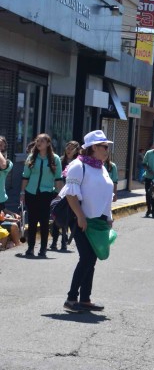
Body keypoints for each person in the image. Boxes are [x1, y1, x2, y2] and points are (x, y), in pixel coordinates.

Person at [62, 130, 115, 312]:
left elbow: (106, 195)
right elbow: (70, 194)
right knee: (87, 258)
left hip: (99, 220)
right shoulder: (78, 166)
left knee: (91, 260)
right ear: (94, 147)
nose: (107, 150)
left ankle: (85, 299)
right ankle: (71, 299)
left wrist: (108, 216)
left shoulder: (101, 167)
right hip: (82, 219)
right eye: (104, 146)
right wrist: (80, 216)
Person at [19, 134, 63, 257]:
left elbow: (58, 178)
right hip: (31, 193)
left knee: (44, 222)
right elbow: (25, 176)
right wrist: (22, 193)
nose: (38, 143)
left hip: (47, 194)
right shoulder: (32, 157)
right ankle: (30, 248)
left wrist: (59, 195)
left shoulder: (55, 159)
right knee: (32, 221)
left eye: (42, 141)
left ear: (48, 143)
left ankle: (43, 249)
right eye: (37, 141)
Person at [50, 141, 81, 251]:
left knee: (67, 217)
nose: (69, 150)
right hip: (59, 193)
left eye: (72, 148)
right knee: (56, 216)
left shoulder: (78, 162)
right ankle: (54, 242)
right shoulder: (60, 160)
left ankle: (64, 242)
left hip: (71, 194)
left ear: (77, 150)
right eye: (68, 147)